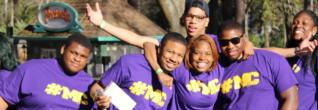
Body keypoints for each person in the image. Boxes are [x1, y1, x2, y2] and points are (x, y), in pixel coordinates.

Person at [86, 0, 254, 87]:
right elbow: (138, 39)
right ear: (184, 19)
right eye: (190, 16)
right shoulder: (176, 45)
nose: (193, 21)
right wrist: (102, 24)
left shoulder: (216, 43)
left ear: (207, 21)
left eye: (199, 17)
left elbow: (245, 48)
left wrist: (246, 42)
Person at [90, 32, 187, 110]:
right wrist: (100, 97)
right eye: (170, 52)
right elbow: (95, 88)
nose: (174, 59)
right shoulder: (129, 63)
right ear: (159, 49)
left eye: (179, 55)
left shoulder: (175, 79)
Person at [0, 33, 98, 110]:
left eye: (83, 56)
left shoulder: (91, 86)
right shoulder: (31, 69)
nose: (77, 59)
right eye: (74, 53)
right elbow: (4, 99)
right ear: (63, 49)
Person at [217, 20, 298, 110]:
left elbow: (291, 97)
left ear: (244, 38)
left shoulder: (271, 60)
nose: (230, 46)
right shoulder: (218, 69)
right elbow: (218, 109)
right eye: (224, 43)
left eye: (235, 41)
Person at [143, 34, 223, 110]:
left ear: (214, 56)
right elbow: (148, 45)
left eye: (208, 53)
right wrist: (159, 72)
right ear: (190, 54)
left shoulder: (219, 69)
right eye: (196, 53)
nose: (202, 58)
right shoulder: (182, 69)